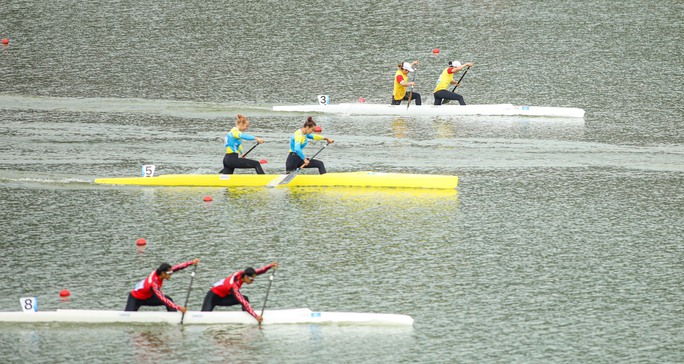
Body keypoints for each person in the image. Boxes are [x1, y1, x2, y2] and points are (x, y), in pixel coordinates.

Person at [201, 261, 278, 323]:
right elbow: (242, 302)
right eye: (251, 280)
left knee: (245, 298)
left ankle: (246, 317)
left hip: (223, 297)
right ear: (246, 277)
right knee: (204, 316)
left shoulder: (243, 274)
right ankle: (250, 315)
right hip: (212, 297)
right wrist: (256, 316)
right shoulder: (233, 286)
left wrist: (270, 266)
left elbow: (259, 271)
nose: (252, 281)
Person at [125, 258, 200, 313]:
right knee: (128, 317)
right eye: (169, 274)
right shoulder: (153, 283)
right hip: (135, 298)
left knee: (169, 299)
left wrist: (191, 262)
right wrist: (179, 308)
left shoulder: (160, 272)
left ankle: (173, 318)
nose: (171, 275)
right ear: (163, 273)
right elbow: (162, 299)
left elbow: (177, 267)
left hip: (147, 296)